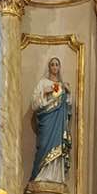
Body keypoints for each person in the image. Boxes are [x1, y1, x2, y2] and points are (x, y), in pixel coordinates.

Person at [29, 56, 72, 184]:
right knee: (43, 146)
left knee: (57, 147)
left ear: (59, 68)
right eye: (52, 64)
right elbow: (34, 104)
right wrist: (44, 92)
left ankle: (55, 177)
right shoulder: (43, 83)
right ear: (49, 67)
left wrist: (68, 94)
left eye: (56, 65)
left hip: (58, 123)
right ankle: (40, 175)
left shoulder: (63, 86)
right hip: (46, 122)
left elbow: (68, 107)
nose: (54, 67)